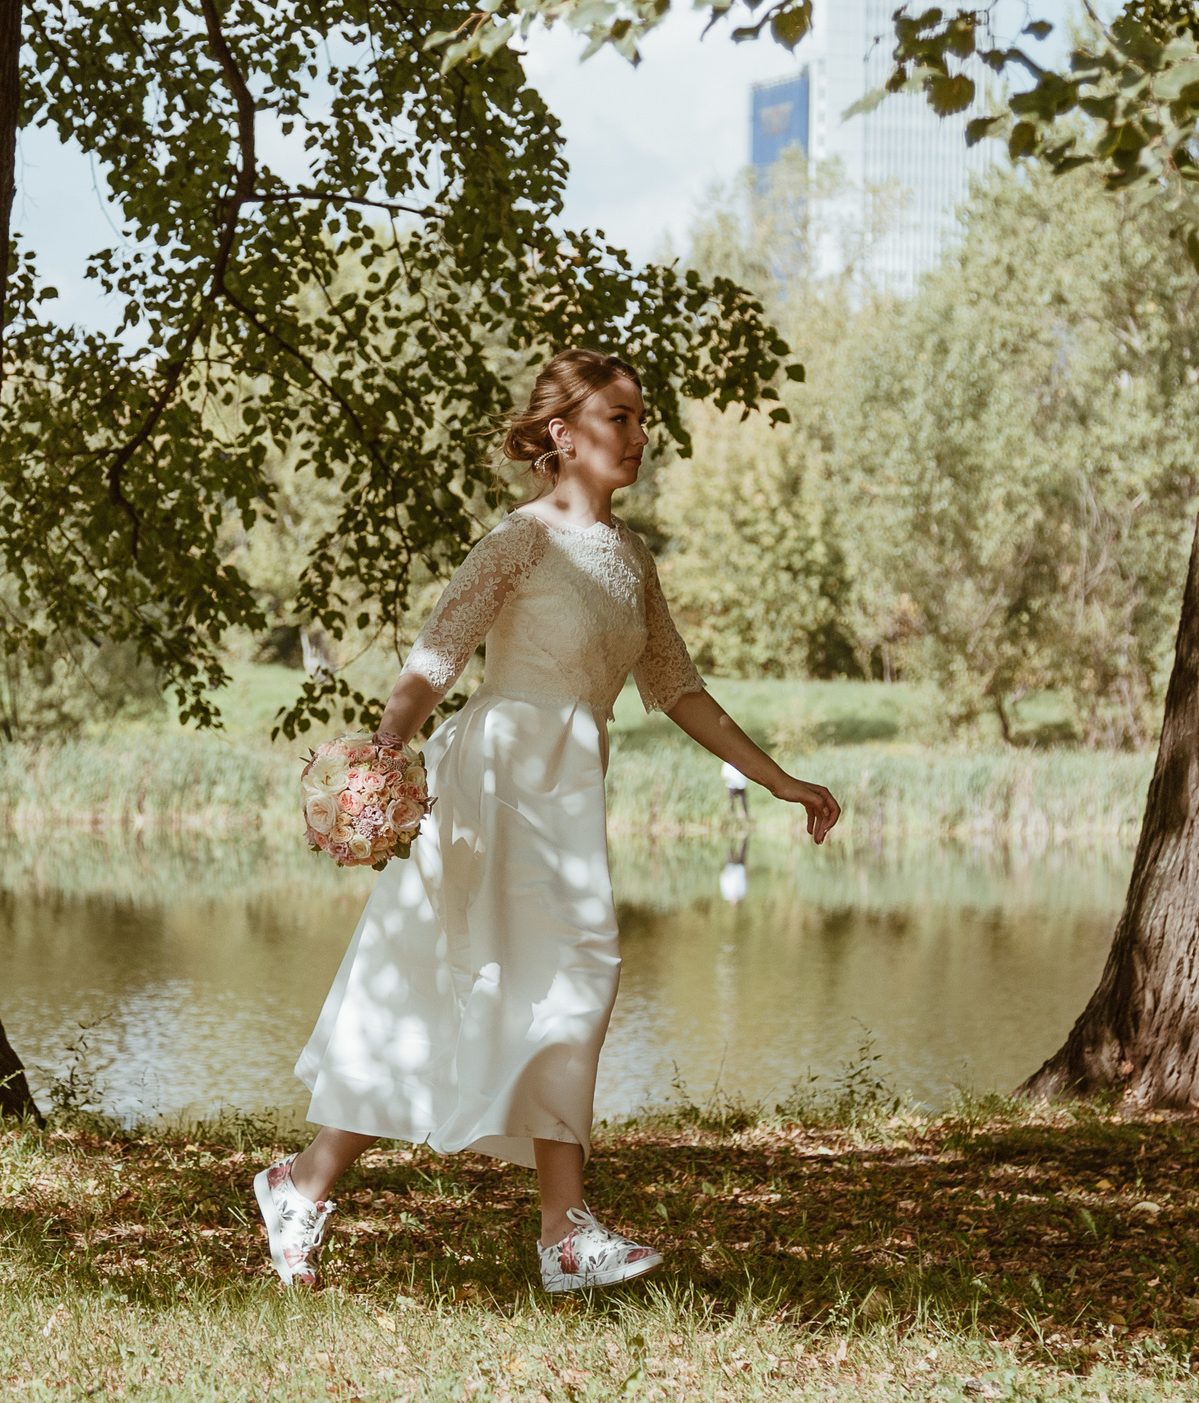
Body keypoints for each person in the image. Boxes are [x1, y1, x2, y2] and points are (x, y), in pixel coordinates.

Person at [252, 349, 842, 1293]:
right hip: (492, 779)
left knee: (574, 983)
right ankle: (313, 1183)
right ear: (563, 435)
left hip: (567, 791)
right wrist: (386, 752)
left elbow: (678, 688)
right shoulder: (520, 540)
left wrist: (779, 780)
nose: (639, 436)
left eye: (643, 419)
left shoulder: (633, 559)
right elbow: (438, 651)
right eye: (619, 417)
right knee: (443, 986)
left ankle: (548, 1227)